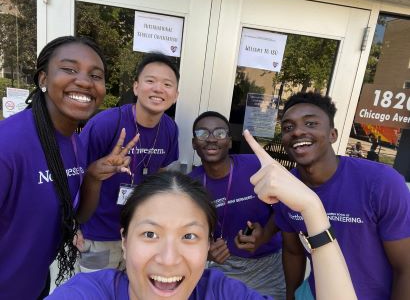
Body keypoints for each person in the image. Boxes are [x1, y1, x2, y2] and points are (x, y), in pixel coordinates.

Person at [47, 141, 356, 299]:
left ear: (208, 244)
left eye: (189, 236)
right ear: (125, 241)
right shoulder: (88, 293)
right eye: (151, 235)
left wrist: (313, 210)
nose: (169, 259)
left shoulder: (218, 292)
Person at [0, 36, 138, 299]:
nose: (85, 81)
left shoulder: (74, 143)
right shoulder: (8, 144)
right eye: (69, 69)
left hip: (34, 286)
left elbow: (77, 218)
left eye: (95, 75)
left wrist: (93, 177)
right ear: (43, 79)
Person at [275, 92, 410, 299]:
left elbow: (405, 267)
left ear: (333, 134)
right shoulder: (286, 186)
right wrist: (291, 295)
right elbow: (292, 250)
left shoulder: (381, 182)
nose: (297, 132)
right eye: (288, 127)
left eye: (310, 123)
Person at [75, 52, 180, 271]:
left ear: (176, 94)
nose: (158, 89)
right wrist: (72, 224)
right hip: (98, 234)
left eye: (167, 84)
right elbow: (72, 174)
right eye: (150, 81)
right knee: (95, 293)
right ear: (136, 87)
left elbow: (161, 178)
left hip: (140, 236)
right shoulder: (106, 123)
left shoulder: (170, 129)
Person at [189, 111, 285, 298]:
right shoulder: (190, 185)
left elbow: (283, 211)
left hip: (267, 266)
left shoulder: (256, 166)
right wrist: (205, 252)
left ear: (230, 141)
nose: (211, 139)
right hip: (222, 267)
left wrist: (264, 235)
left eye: (219, 133)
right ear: (194, 143)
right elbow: (183, 233)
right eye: (202, 133)